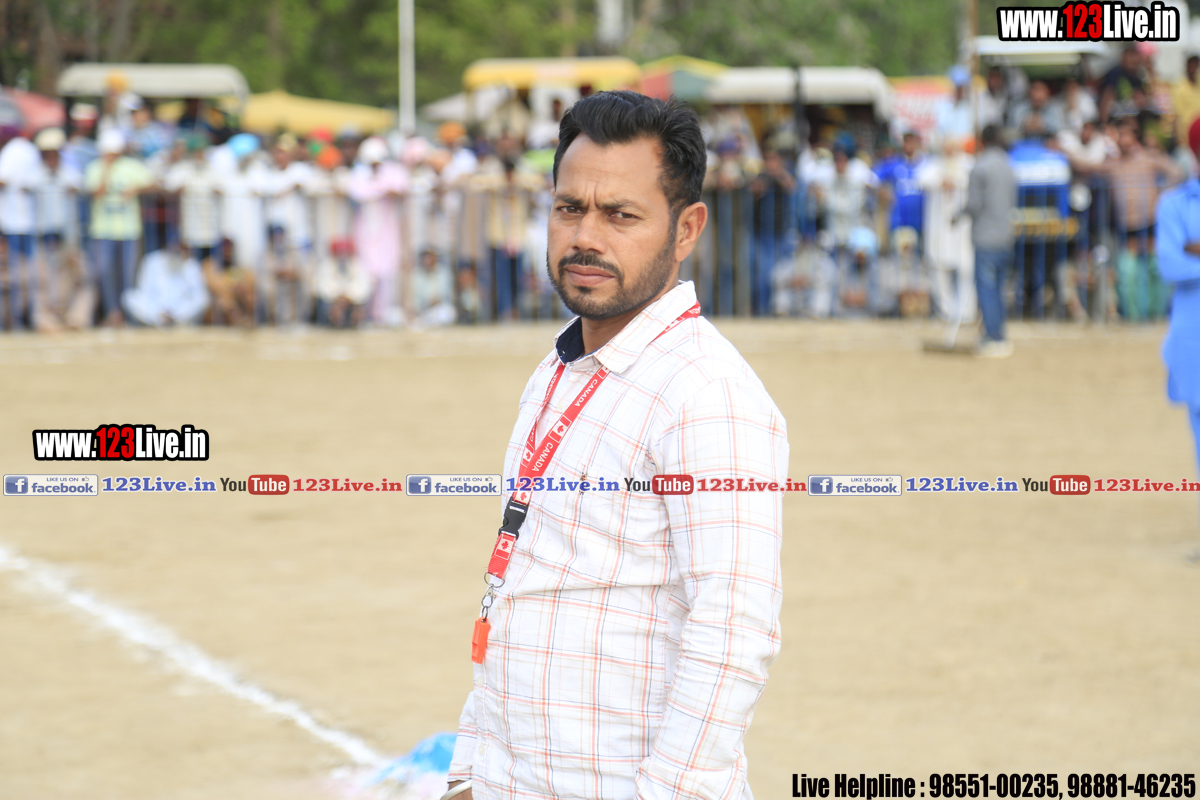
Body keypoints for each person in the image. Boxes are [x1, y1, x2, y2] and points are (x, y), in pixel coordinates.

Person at [445, 90, 788, 800]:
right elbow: (521, 582)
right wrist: (469, 772)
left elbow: (732, 631)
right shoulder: (560, 367)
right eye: (569, 208)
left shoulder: (705, 393)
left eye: (621, 215)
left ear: (686, 229)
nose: (585, 237)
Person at [1156, 118, 1200, 562]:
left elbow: (1184, 260)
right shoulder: (1174, 204)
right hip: (1194, 342)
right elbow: (1171, 265)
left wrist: (1197, 250)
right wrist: (1187, 253)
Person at [84, 128, 155, 327]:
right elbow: (96, 192)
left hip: (129, 230)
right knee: (104, 272)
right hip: (102, 230)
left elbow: (153, 184)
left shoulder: (131, 166)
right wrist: (107, 170)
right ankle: (112, 312)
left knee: (128, 274)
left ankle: (129, 314)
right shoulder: (95, 168)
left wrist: (136, 189)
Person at [962, 123, 1017, 357]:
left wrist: (958, 214)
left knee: (986, 290)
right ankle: (1000, 334)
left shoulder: (979, 167)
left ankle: (992, 337)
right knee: (999, 289)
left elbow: (974, 204)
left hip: (985, 236)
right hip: (1005, 235)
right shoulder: (1009, 165)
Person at [0, 132, 41, 328]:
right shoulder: (29, 149)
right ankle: (24, 319)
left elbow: (3, 180)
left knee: (16, 275)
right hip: (28, 222)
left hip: (13, 224)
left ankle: (16, 320)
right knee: (26, 274)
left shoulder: (12, 151)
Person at [122, 243, 209, 327]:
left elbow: (197, 293)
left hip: (180, 312)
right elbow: (143, 292)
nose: (175, 249)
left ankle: (173, 321)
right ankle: (162, 321)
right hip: (156, 311)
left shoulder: (190, 263)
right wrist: (158, 313)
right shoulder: (151, 260)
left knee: (203, 298)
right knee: (129, 296)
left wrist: (178, 313)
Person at [1171, 55, 1200, 151]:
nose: (1193, 69)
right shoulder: (1180, 87)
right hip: (1186, 139)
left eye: (1196, 65)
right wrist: (1179, 139)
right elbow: (1177, 115)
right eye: (1191, 65)